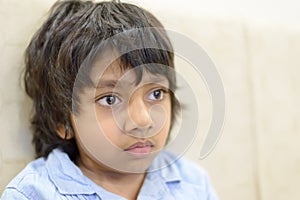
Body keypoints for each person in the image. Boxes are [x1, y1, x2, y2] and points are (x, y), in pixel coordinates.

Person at [1, 0, 218, 199]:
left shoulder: (193, 184)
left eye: (156, 94)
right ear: (62, 119)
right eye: (110, 100)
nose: (143, 120)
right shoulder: (34, 194)